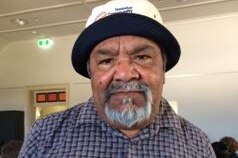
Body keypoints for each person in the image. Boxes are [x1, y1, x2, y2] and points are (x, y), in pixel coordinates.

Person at [18, 0, 216, 157]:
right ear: (91, 72)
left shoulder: (197, 142)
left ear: (163, 69)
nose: (124, 73)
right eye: (106, 60)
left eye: (142, 57)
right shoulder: (44, 134)